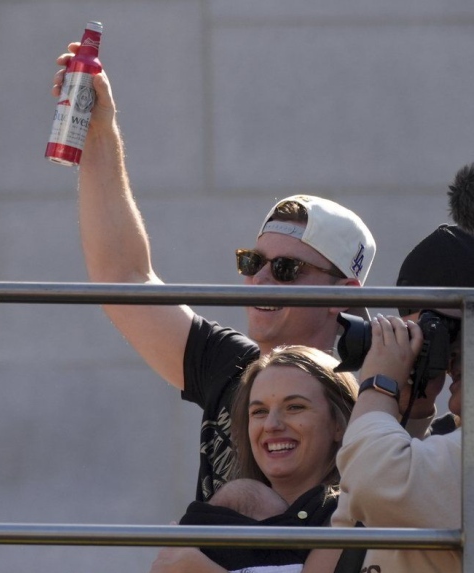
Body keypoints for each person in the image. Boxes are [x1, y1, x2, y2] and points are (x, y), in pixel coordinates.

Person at [53, 43, 376, 502]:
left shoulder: (371, 399)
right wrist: (100, 133)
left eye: (286, 268)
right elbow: (123, 277)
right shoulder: (232, 364)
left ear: (341, 295)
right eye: (252, 262)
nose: (261, 280)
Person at [332, 197, 474, 572]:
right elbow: (354, 521)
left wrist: (379, 387)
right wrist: (411, 410)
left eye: (446, 332)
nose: (444, 356)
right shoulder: (449, 445)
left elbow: (373, 484)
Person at [153, 345, 358, 572]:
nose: (271, 425)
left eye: (295, 407)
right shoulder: (227, 509)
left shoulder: (358, 514)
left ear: (338, 424)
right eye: (259, 411)